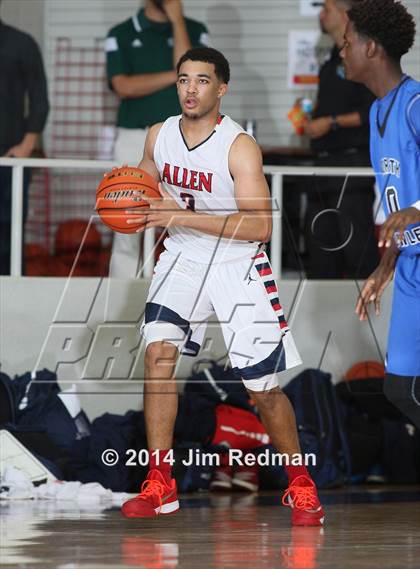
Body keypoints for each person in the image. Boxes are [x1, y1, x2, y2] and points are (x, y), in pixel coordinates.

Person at [120, 47, 325, 526]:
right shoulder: (160, 134)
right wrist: (128, 202)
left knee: (262, 387)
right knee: (158, 355)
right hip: (184, 256)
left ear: (221, 88)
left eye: (202, 81)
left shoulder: (239, 146)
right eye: (184, 79)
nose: (191, 89)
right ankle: (160, 483)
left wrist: (179, 215)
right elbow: (144, 182)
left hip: (237, 263)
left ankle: (300, 483)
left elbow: (260, 228)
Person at [342, 0, 420, 427]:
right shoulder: (376, 112)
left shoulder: (414, 103)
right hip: (409, 263)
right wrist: (385, 263)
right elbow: (391, 196)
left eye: (346, 41)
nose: (342, 50)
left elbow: (408, 206)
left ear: (371, 48)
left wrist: (416, 209)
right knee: (400, 389)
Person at [105, 0, 209, 277]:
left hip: (186, 138)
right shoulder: (121, 33)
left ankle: (187, 294)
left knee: (190, 219)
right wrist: (175, 76)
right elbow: (123, 86)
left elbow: (195, 78)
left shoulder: (196, 31)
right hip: (134, 135)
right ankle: (121, 302)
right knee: (126, 219)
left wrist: (177, 22)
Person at [304, 0, 379, 279]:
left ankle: (372, 313)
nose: (321, 14)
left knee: (356, 243)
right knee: (321, 244)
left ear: (345, 15)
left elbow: (373, 109)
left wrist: (332, 122)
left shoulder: (366, 56)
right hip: (322, 163)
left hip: (351, 162)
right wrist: (313, 122)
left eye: (327, 8)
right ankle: (323, 316)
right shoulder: (330, 62)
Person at [0, 3, 49, 275]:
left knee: (9, 232)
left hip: (10, 158)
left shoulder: (21, 43)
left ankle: (10, 302)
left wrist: (26, 146)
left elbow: (40, 99)